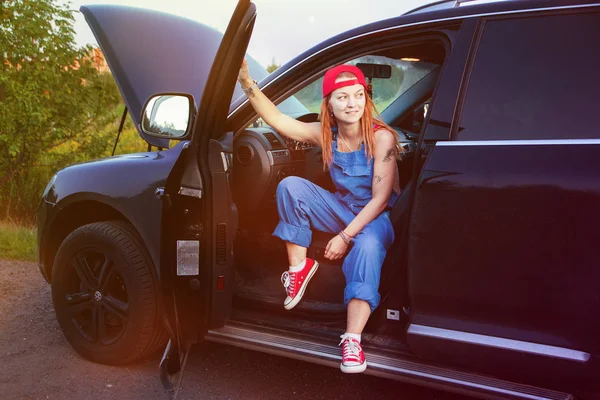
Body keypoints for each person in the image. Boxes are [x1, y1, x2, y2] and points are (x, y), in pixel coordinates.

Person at [238, 60, 401, 373]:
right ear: (329, 104)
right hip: (342, 209)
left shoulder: (382, 139)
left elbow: (380, 200)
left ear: (366, 99)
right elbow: (278, 120)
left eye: (357, 95)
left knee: (366, 249)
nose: (351, 103)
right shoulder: (326, 135)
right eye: (342, 97)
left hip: (374, 218)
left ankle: (352, 340)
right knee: (290, 187)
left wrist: (345, 237)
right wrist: (247, 83)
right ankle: (299, 268)